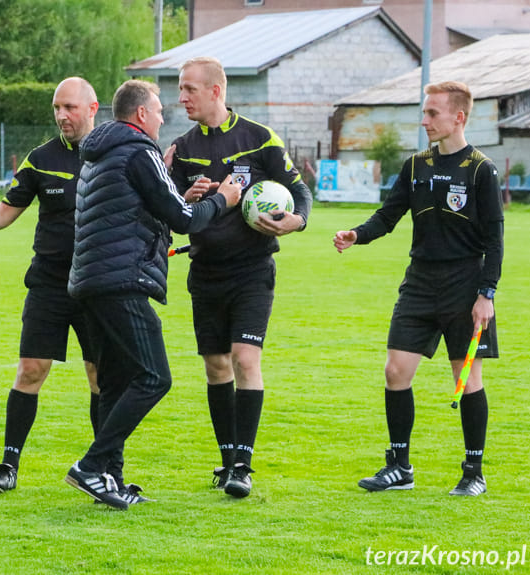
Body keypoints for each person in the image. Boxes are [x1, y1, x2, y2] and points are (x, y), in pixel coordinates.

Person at [65, 79, 241, 509]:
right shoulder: (140, 150)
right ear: (141, 114)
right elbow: (183, 220)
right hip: (121, 283)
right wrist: (224, 200)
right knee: (154, 377)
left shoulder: (99, 152)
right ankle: (91, 466)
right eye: (160, 109)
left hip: (88, 281)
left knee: (114, 382)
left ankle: (110, 478)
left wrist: (184, 196)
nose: (165, 116)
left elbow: (134, 211)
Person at [334, 81, 503, 496]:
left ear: (458, 117)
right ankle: (399, 467)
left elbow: (495, 239)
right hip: (420, 283)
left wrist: (487, 295)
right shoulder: (415, 166)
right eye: (424, 113)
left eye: (432, 113)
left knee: (465, 380)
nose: (424, 120)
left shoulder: (482, 169)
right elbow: (387, 216)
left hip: (465, 285)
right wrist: (357, 234)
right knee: (395, 371)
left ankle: (473, 472)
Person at [167, 57, 312, 499]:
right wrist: (183, 194)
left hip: (252, 271)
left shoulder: (259, 138)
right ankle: (228, 459)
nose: (182, 97)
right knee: (215, 367)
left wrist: (298, 220)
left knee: (245, 359)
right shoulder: (183, 148)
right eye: (180, 88)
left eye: (190, 89)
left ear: (216, 90)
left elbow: (300, 189)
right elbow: (169, 213)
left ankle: (243, 465)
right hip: (204, 271)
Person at [0, 77, 101, 494]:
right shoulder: (41, 159)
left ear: (92, 108)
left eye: (70, 107)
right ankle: (8, 465)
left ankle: (105, 466)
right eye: (57, 108)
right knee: (30, 370)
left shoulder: (111, 154)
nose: (62, 115)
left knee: (100, 376)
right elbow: (7, 210)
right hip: (49, 286)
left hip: (95, 285)